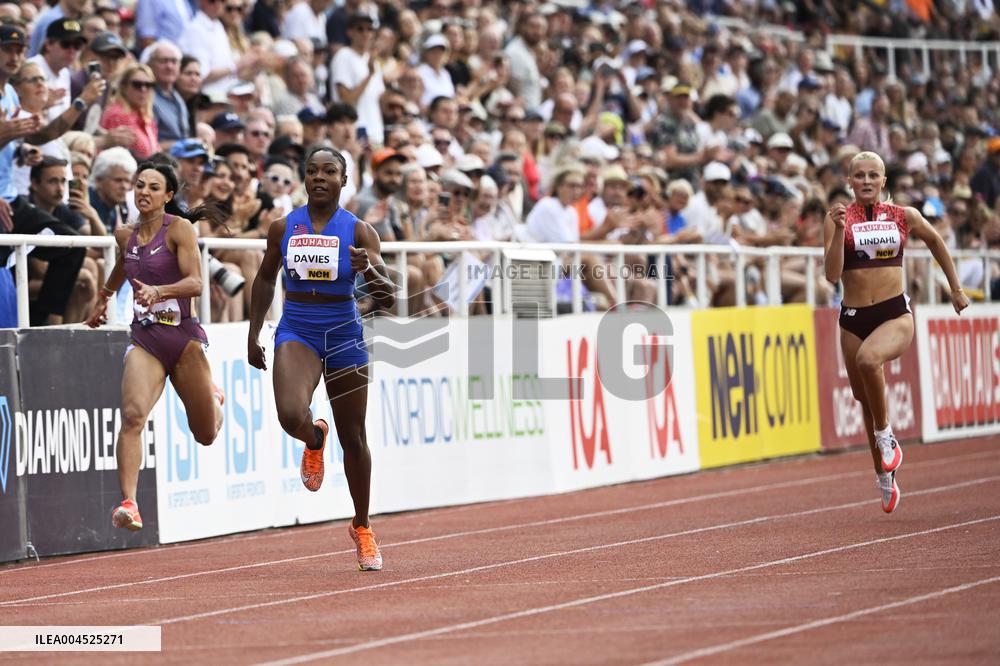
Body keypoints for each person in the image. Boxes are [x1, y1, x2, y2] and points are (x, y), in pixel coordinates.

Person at [247, 147, 395, 571]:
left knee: (354, 438)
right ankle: (314, 439)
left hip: (343, 332)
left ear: (344, 180)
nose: (319, 178)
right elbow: (263, 278)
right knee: (290, 414)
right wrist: (253, 333)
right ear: (303, 178)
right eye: (311, 171)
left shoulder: (361, 231)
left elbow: (389, 298)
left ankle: (363, 527)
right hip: (298, 328)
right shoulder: (284, 227)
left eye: (329, 171)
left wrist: (368, 269)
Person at [823, 151, 969, 515]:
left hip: (894, 313)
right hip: (853, 316)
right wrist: (840, 229)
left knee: (869, 360)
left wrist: (956, 288)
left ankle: (888, 437)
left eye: (874, 175)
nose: (867, 181)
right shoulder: (839, 218)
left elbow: (936, 242)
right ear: (850, 180)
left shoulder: (903, 216)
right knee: (865, 401)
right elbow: (831, 275)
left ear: (884, 181)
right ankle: (884, 476)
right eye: (860, 176)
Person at [85, 162, 225, 531]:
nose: (143, 191)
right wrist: (104, 296)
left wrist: (159, 290)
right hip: (145, 339)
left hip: (183, 340)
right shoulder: (123, 235)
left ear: (167, 196)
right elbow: (124, 265)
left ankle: (214, 399)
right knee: (132, 417)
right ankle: (129, 503)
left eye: (153, 186)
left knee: (206, 434)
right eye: (139, 185)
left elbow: (196, 282)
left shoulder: (179, 230)